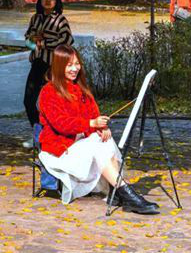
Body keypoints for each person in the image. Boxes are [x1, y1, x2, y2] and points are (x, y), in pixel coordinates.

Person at [38, 45, 159, 214]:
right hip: (60, 150)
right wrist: (91, 124)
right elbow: (61, 124)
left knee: (104, 139)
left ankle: (117, 192)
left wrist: (102, 128)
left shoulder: (81, 88)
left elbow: (93, 115)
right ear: (59, 66)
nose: (74, 69)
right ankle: (126, 194)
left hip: (81, 145)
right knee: (96, 143)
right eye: (69, 65)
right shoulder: (48, 92)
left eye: (77, 64)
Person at [23, 0, 73, 149]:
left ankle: (52, 137)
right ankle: (38, 134)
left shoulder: (61, 20)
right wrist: (32, 38)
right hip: (37, 63)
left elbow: (67, 41)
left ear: (56, 1)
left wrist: (44, 43)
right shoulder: (35, 18)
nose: (48, 0)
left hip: (52, 66)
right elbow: (28, 36)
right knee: (28, 101)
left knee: (50, 104)